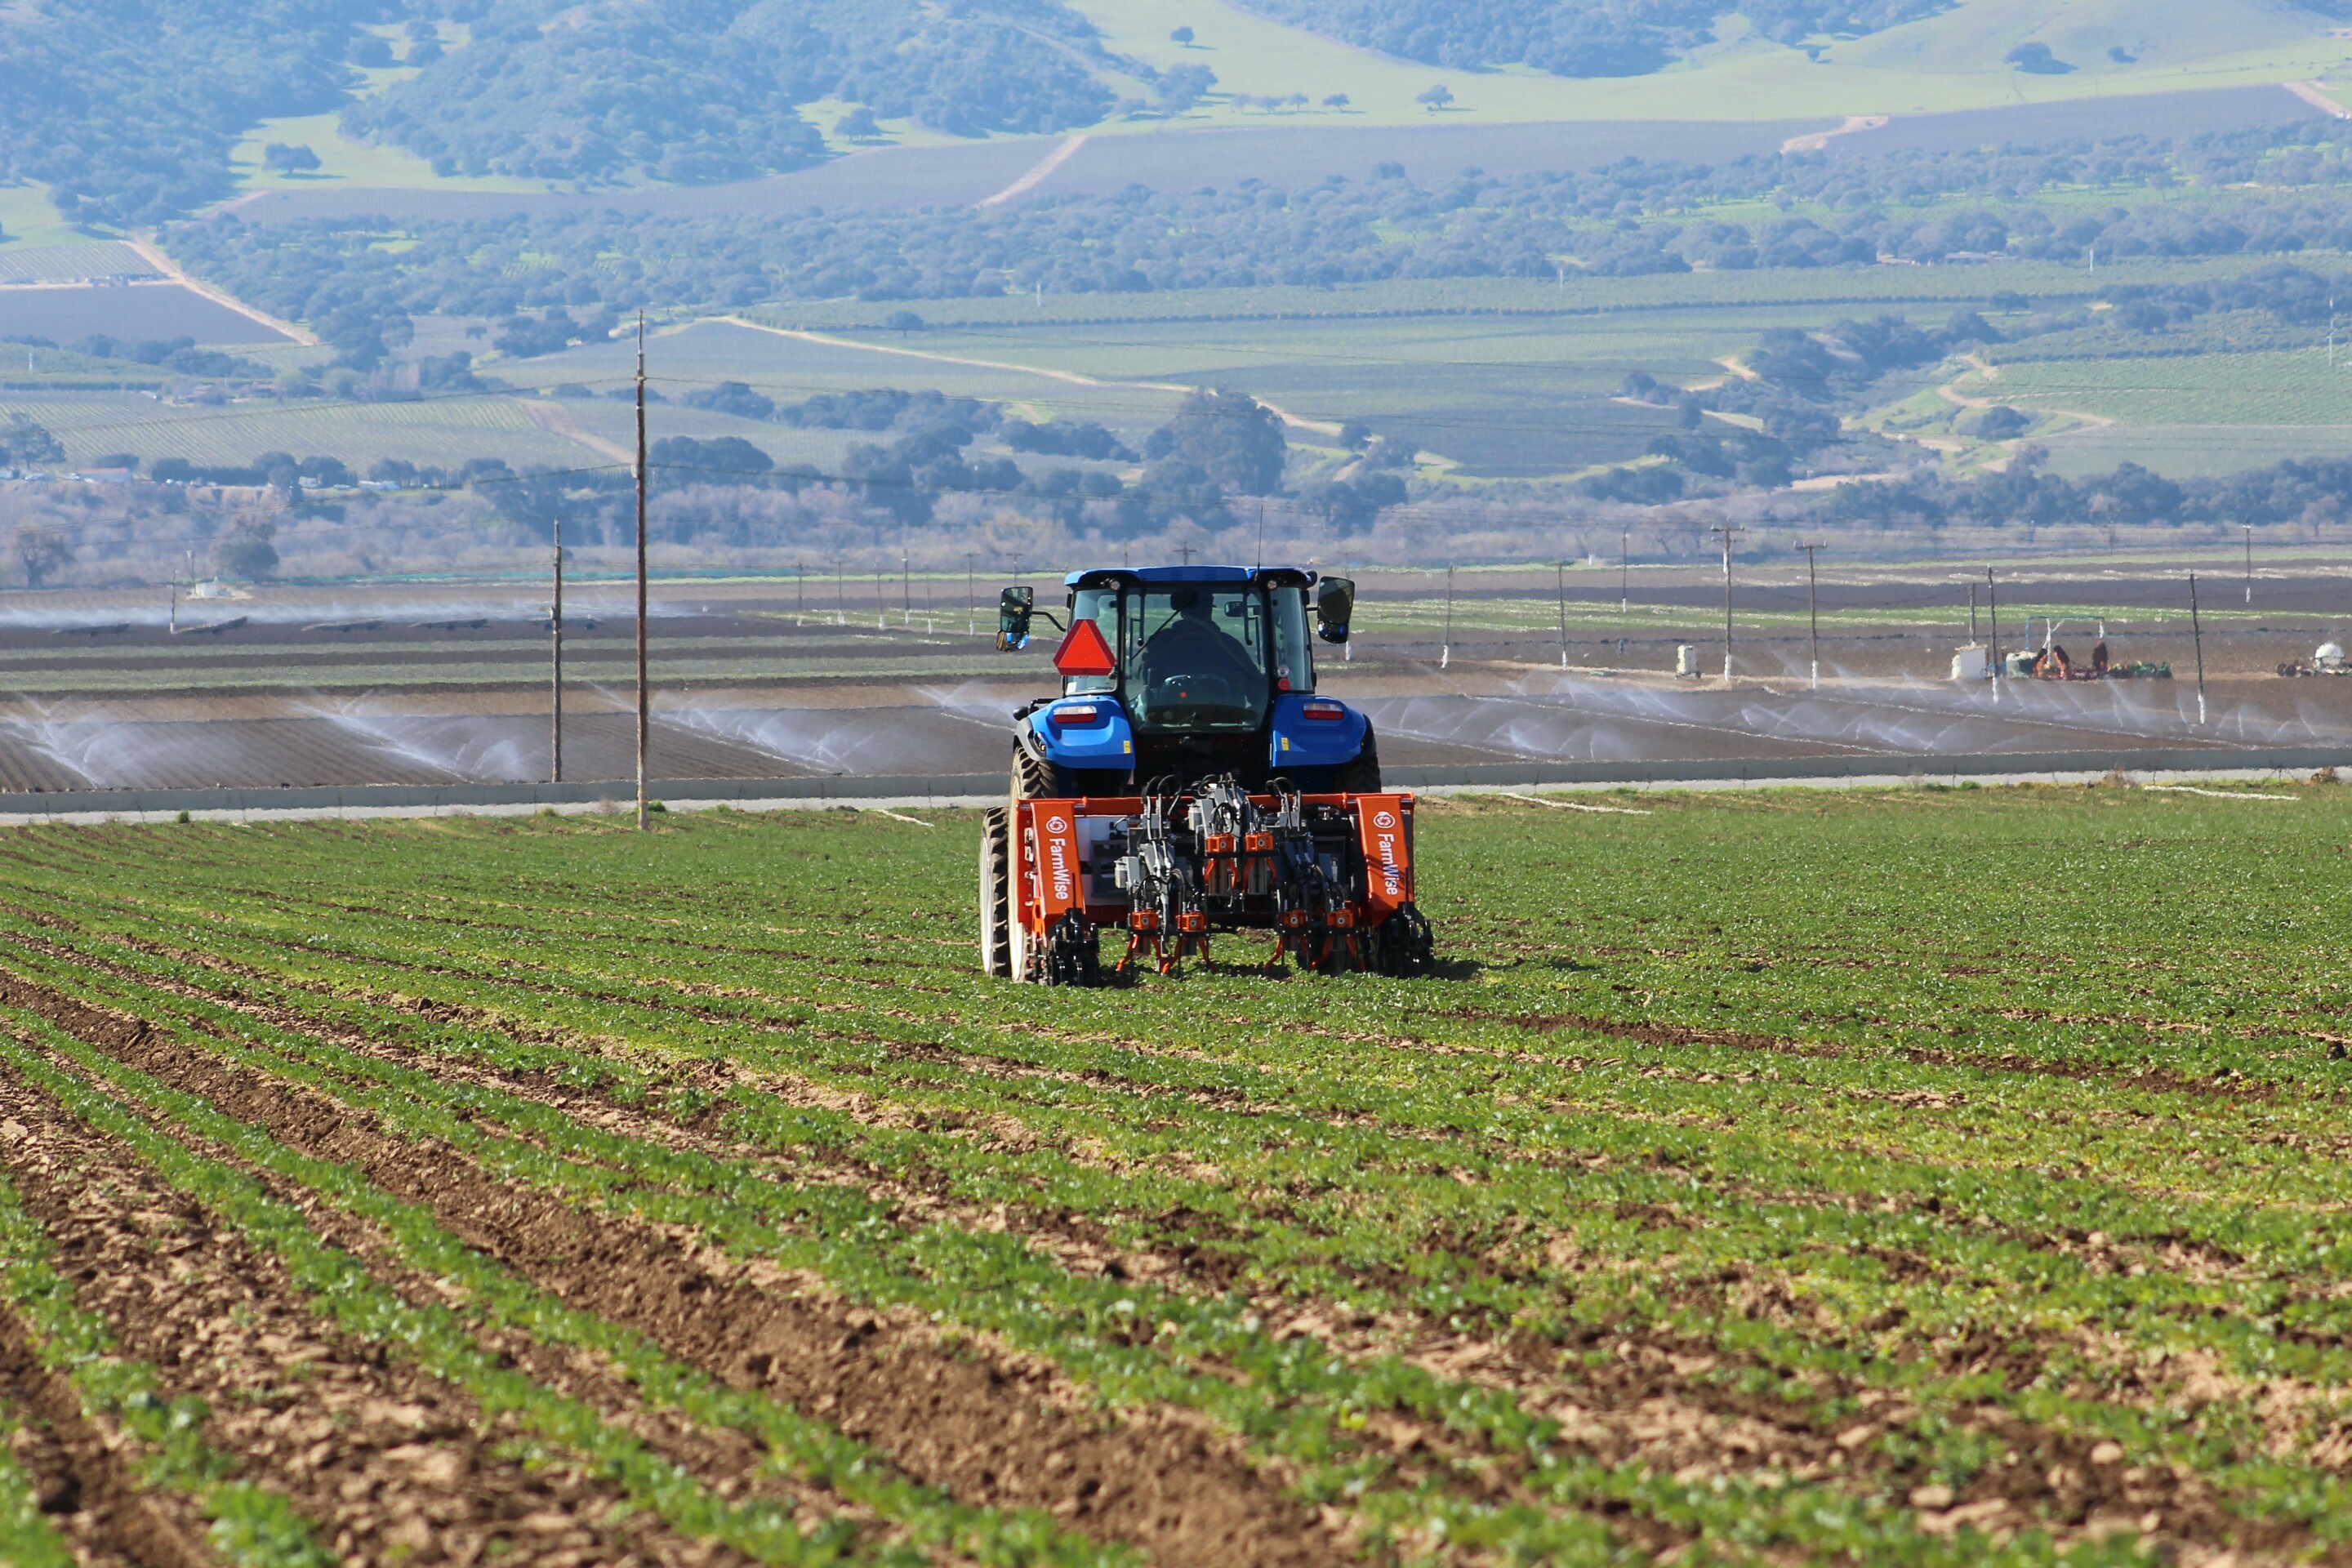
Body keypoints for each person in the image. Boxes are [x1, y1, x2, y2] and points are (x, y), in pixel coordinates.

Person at [1138, 587, 1260, 696]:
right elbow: (1257, 687)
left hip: (1163, 717)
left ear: (1181, 610)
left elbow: (1143, 676)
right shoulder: (1228, 644)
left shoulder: (1161, 641)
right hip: (1230, 717)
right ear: (1208, 610)